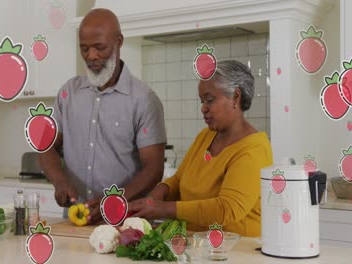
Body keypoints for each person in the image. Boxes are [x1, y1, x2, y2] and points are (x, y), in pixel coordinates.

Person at [39, 8, 166, 224]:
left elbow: (154, 169)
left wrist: (112, 201)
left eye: (100, 47)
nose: (91, 56)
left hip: (126, 224)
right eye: (84, 48)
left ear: (119, 42)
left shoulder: (144, 99)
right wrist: (59, 181)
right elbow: (45, 146)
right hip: (75, 221)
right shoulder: (68, 93)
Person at [128, 60, 273, 237]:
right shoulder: (205, 137)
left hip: (237, 252)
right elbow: (179, 179)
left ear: (236, 97)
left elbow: (226, 209)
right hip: (198, 247)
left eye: (210, 100)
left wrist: (164, 208)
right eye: (202, 101)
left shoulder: (253, 149)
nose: (203, 108)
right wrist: (159, 193)